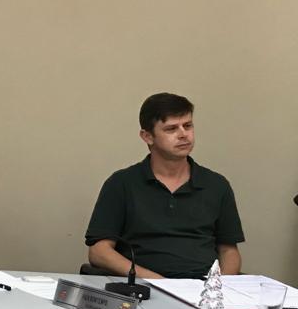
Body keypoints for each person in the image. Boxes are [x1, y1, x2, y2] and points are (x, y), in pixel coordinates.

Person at [85, 93, 244, 279]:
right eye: (171, 129)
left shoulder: (217, 185)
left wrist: (219, 287)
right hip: (144, 285)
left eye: (188, 125)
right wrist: (157, 282)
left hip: (202, 287)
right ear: (147, 136)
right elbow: (99, 252)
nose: (183, 134)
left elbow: (229, 251)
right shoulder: (121, 183)